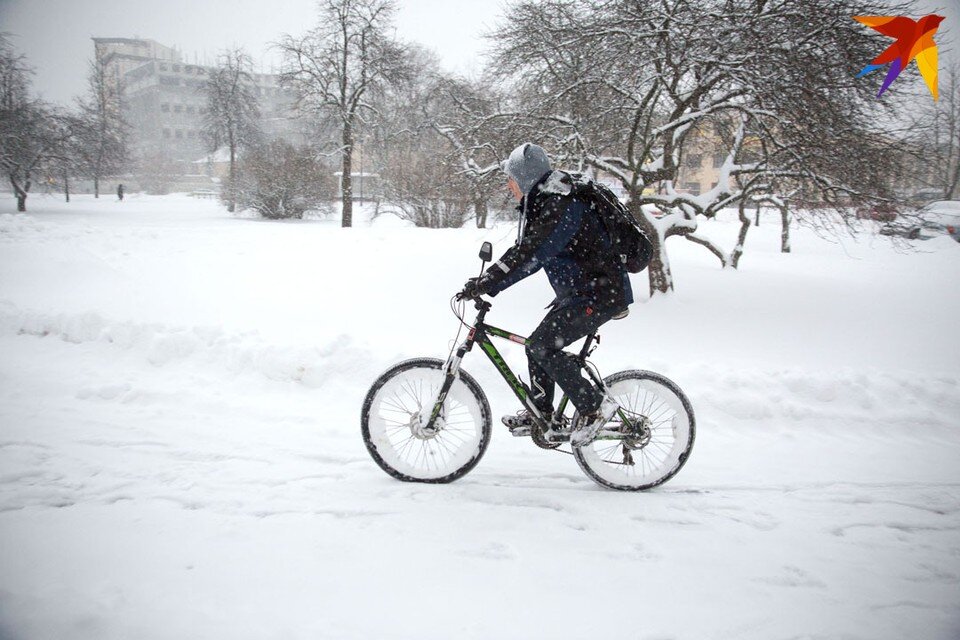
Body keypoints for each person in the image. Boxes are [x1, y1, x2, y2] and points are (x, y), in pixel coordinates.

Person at [457, 143, 633, 446]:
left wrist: (488, 282)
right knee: (535, 345)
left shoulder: (561, 204)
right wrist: (489, 280)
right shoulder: (547, 202)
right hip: (582, 293)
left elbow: (531, 254)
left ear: (524, 177)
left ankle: (595, 409)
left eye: (511, 179)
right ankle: (544, 413)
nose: (509, 185)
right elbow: (525, 251)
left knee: (542, 345)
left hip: (600, 294)